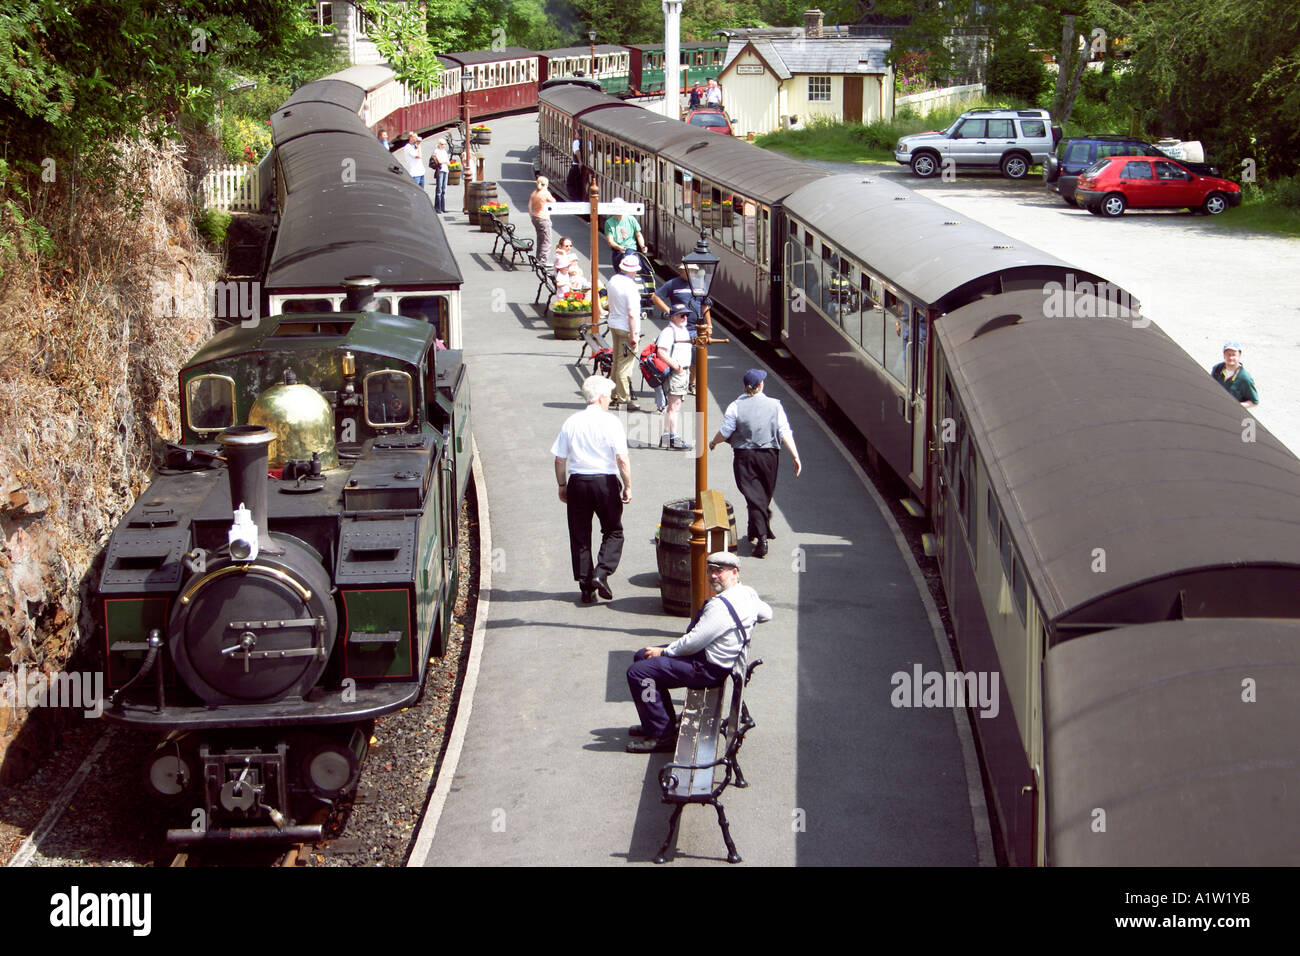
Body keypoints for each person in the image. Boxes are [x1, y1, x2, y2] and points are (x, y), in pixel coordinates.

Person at [624, 551, 771, 753]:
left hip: (707, 669)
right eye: (710, 570)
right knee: (642, 656)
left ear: (734, 572)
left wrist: (664, 652)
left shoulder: (720, 607)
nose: (712, 576)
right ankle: (657, 721)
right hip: (715, 660)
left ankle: (661, 735)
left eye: (719, 571)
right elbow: (767, 614)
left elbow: (692, 642)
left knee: (639, 672)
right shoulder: (747, 593)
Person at [550, 375, 632, 604]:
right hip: (605, 482)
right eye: (609, 395)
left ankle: (586, 587)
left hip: (578, 482)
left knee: (580, 535)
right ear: (602, 397)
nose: (611, 399)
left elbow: (559, 459)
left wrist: (562, 485)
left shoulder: (572, 422)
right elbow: (622, 459)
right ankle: (601, 572)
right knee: (613, 531)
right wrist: (628, 485)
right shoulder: (611, 422)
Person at [709, 369, 801, 558]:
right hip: (769, 456)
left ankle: (759, 534)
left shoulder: (735, 406)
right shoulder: (775, 405)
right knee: (761, 496)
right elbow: (784, 432)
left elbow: (726, 432)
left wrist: (713, 442)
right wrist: (795, 456)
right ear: (760, 385)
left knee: (754, 496)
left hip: (745, 456)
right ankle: (760, 533)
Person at [651, 260, 705, 395]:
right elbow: (655, 297)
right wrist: (669, 312)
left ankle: (691, 383)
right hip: (680, 328)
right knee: (678, 356)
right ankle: (673, 384)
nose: (689, 273)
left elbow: (706, 305)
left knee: (696, 358)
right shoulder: (673, 284)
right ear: (681, 271)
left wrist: (708, 324)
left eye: (692, 270)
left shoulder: (700, 284)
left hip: (696, 327)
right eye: (687, 270)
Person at [606, 255, 643, 411]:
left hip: (614, 324)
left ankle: (613, 395)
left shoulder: (613, 280)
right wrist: (634, 335)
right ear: (633, 271)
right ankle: (623, 399)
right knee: (625, 365)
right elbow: (632, 313)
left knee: (616, 361)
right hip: (626, 328)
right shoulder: (631, 287)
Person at [657, 303, 694, 450]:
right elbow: (661, 351)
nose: (685, 317)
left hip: (683, 372)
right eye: (681, 315)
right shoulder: (669, 331)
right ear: (672, 317)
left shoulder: (682, 329)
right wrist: (677, 367)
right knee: (674, 407)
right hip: (677, 373)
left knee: (674, 406)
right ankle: (673, 438)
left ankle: (667, 436)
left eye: (686, 315)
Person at [1211, 341, 1259, 407]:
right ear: (1224, 355)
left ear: (1239, 355)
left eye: (1233, 355)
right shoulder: (1217, 369)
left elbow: (1254, 402)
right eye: (1228, 354)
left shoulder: (1244, 378)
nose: (1230, 358)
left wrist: (1235, 406)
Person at [603, 200, 646, 272]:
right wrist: (619, 247)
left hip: (630, 248)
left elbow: (638, 235)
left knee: (629, 263)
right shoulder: (609, 222)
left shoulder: (631, 219)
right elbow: (610, 241)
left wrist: (642, 246)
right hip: (618, 250)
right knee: (619, 270)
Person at [530, 176, 556, 271]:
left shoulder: (534, 193)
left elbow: (530, 206)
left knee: (540, 239)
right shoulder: (545, 193)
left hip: (535, 217)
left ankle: (538, 259)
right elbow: (553, 202)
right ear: (546, 184)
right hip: (544, 218)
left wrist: (532, 216)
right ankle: (543, 261)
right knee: (546, 240)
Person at [431, 138, 451, 213]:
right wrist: (444, 161)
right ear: (439, 144)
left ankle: (442, 207)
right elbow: (439, 161)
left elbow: (448, 162)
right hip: (440, 171)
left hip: (445, 170)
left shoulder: (444, 152)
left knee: (443, 189)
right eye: (442, 144)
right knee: (439, 189)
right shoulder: (436, 151)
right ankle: (437, 207)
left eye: (444, 144)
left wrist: (445, 161)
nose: (444, 146)